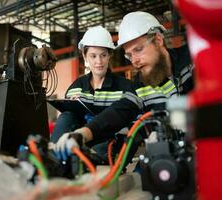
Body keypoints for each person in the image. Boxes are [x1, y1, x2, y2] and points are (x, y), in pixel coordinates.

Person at [54, 11, 194, 160]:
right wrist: (82, 134)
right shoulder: (141, 87)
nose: (135, 61)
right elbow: (119, 112)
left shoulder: (194, 59)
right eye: (129, 55)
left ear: (158, 40)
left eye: (138, 50)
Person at [50, 26, 134, 158]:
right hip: (79, 140)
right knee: (66, 116)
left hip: (110, 143)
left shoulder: (125, 87)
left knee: (93, 155)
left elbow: (132, 127)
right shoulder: (76, 87)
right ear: (84, 56)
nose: (98, 62)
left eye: (103, 55)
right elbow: (68, 120)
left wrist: (101, 123)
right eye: (93, 56)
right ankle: (54, 154)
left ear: (110, 55)